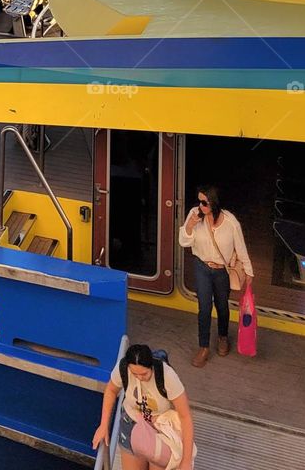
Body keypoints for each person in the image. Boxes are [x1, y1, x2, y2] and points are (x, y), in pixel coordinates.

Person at [179, 184, 253, 367]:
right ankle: (203, 347)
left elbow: (241, 247)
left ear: (214, 203)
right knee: (204, 308)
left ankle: (222, 337)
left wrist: (249, 271)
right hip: (202, 266)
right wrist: (189, 226)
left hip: (222, 270)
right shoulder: (195, 215)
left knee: (222, 305)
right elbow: (183, 242)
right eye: (199, 201)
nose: (200, 206)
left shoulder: (231, 223)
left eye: (204, 202)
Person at [92, 342, 194, 470]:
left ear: (151, 366)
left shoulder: (167, 376)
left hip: (159, 430)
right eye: (135, 374)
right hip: (131, 424)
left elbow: (185, 417)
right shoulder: (123, 368)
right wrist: (104, 425)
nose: (139, 378)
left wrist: (186, 460)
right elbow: (111, 390)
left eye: (144, 374)